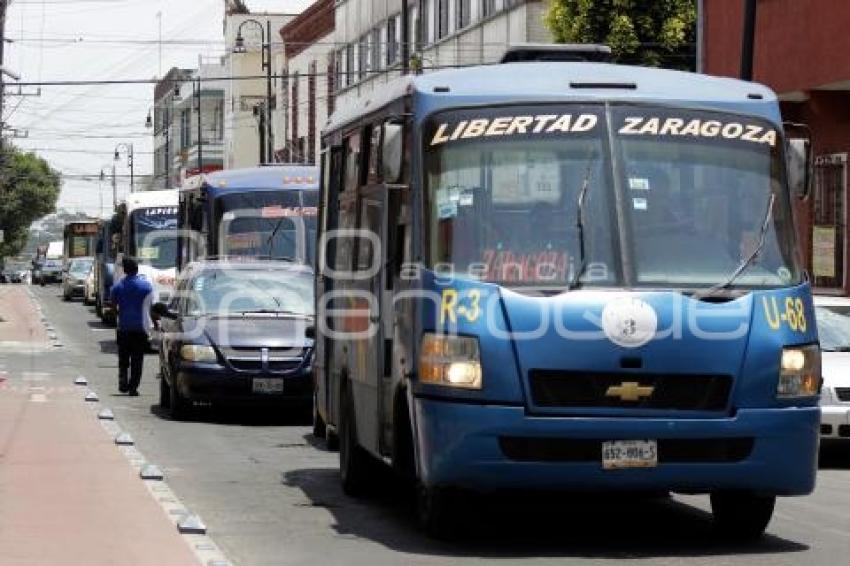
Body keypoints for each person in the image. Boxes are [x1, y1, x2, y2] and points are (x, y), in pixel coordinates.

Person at [110, 257, 153, 396]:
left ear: (124, 270)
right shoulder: (146, 286)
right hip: (141, 328)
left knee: (123, 358)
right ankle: (133, 387)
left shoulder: (117, 287)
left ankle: (123, 381)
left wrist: (120, 314)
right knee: (137, 359)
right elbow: (149, 307)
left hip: (124, 327)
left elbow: (113, 306)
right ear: (137, 269)